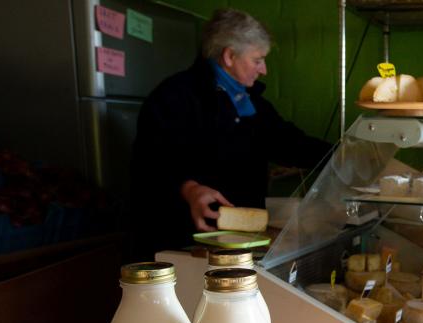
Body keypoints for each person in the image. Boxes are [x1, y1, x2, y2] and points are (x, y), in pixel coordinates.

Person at [131, 8, 330, 259]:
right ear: (229, 56)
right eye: (257, 60)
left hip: (240, 246)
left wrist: (341, 155)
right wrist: (189, 189)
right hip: (182, 245)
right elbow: (152, 163)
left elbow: (290, 143)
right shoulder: (174, 97)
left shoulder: (251, 103)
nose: (264, 70)